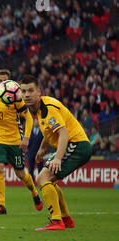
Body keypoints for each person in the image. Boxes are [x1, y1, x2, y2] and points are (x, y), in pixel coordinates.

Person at [21, 74, 92, 231]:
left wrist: (58, 158)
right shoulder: (40, 108)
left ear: (39, 92)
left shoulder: (48, 108)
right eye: (23, 91)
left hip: (77, 145)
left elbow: (64, 133)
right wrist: (42, 147)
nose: (26, 95)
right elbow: (50, 130)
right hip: (75, 145)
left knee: (42, 178)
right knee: (48, 181)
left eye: (30, 90)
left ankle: (57, 221)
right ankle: (65, 219)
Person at [0, 69, 43, 215]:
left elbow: (28, 118)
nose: (2, 83)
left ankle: (34, 192)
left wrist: (26, 138)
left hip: (15, 141)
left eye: (5, 81)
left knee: (20, 174)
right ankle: (1, 205)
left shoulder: (17, 99)